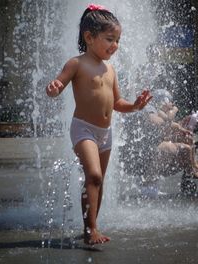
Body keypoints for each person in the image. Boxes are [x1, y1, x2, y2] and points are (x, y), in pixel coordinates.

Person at [46, 4, 152, 245]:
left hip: (105, 133)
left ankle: (93, 224)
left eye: (118, 40)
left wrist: (135, 105)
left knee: (98, 180)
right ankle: (90, 229)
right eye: (110, 39)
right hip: (83, 128)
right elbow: (57, 86)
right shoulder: (76, 63)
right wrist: (52, 89)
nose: (115, 45)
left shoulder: (111, 69)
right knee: (93, 175)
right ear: (89, 37)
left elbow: (117, 103)